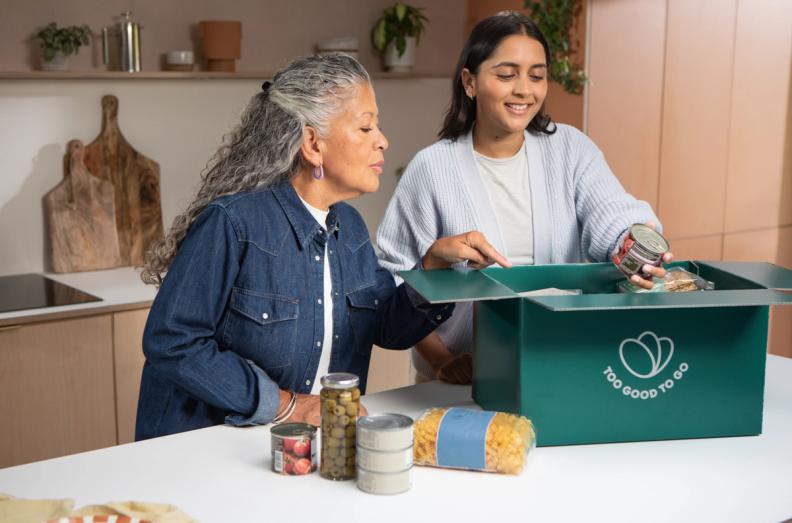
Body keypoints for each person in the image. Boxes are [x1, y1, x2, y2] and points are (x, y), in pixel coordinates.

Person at [135, 53, 507, 440]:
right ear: (312, 144)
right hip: (209, 451)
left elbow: (386, 328)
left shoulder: (350, 227)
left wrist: (433, 268)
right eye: (366, 128)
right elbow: (174, 342)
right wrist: (288, 405)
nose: (383, 141)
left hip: (309, 450)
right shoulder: (232, 223)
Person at [377, 11, 673, 385]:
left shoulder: (570, 150)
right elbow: (394, 280)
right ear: (469, 81)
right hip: (461, 379)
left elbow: (610, 211)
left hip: (560, 362)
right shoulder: (432, 168)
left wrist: (630, 242)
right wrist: (441, 361)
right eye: (506, 75)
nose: (524, 90)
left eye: (537, 76)